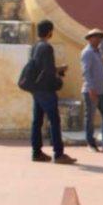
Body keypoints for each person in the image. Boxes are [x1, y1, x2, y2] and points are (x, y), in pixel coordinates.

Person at [29, 19, 75, 164]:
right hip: (46, 90)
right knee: (54, 121)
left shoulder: (35, 47)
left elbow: (41, 68)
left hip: (36, 89)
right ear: (50, 32)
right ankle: (59, 153)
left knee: (37, 121)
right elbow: (48, 71)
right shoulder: (47, 48)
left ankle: (36, 152)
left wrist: (58, 69)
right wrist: (58, 80)